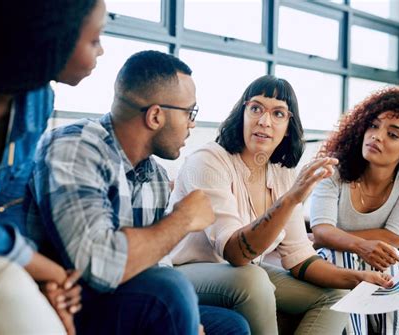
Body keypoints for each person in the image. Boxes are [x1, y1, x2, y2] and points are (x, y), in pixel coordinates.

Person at [28, 50, 250, 335]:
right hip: (63, 303)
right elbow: (99, 266)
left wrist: (192, 321)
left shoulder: (155, 177)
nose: (192, 124)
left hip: (117, 297)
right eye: (189, 113)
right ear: (156, 116)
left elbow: (156, 263)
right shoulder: (76, 147)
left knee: (231, 326)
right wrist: (182, 219)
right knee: (170, 291)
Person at [166, 75, 394, 335]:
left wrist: (357, 278)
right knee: (253, 278)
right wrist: (292, 199)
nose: (264, 121)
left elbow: (301, 258)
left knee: (337, 295)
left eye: (278, 113)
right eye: (255, 109)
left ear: (288, 125)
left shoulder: (281, 173)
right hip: (186, 273)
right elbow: (235, 253)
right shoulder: (209, 161)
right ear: (242, 113)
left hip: (245, 275)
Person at [0, 0, 106, 334]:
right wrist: (43, 269)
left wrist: (43, 286)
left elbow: (6, 206)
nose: (102, 50)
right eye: (94, 39)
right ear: (50, 39)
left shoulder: (38, 99)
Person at [309, 87, 399, 335]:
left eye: (392, 134)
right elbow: (320, 232)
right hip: (331, 261)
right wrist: (353, 244)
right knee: (348, 256)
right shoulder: (334, 169)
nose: (377, 136)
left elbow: (396, 236)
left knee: (389, 257)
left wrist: (340, 236)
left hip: (375, 261)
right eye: (373, 126)